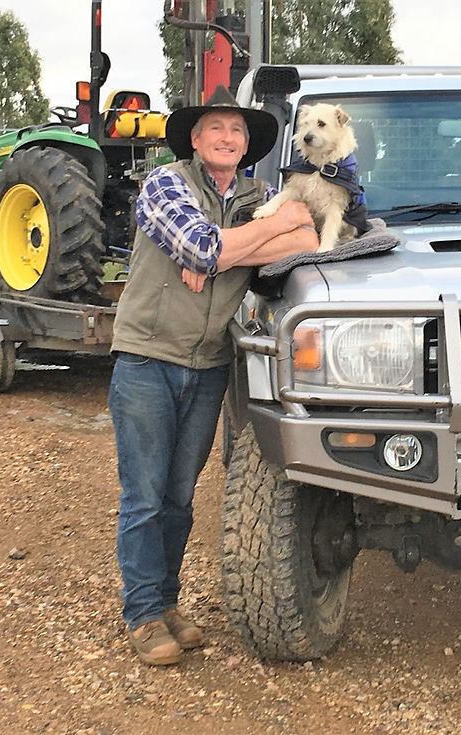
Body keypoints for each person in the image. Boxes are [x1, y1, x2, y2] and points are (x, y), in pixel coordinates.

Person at [108, 85, 318, 666]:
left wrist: (231, 249)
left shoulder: (257, 195)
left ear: (248, 145)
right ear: (196, 140)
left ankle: (166, 600)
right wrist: (232, 248)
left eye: (238, 131)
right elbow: (202, 249)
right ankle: (144, 613)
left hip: (207, 367)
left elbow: (307, 238)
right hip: (149, 359)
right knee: (145, 495)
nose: (228, 139)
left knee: (179, 496)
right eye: (217, 129)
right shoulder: (167, 183)